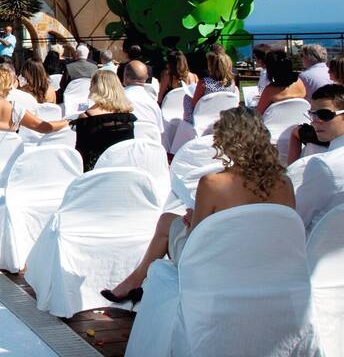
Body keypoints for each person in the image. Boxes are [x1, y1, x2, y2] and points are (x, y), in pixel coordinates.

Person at [102, 106, 296, 304]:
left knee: (166, 221)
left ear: (226, 140)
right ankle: (135, 283)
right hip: (266, 263)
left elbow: (196, 242)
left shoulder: (213, 183)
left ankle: (134, 282)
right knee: (171, 221)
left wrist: (191, 220)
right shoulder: (284, 183)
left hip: (221, 266)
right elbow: (284, 230)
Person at [287, 84, 344, 230]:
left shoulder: (322, 165)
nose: (314, 121)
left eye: (324, 114)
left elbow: (296, 218)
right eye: (312, 114)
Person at [71, 70, 136, 170]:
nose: (89, 89)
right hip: (122, 168)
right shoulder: (128, 117)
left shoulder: (87, 117)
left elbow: (80, 153)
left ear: (96, 87)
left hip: (96, 171)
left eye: (91, 85)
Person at [0, 67, 68, 135]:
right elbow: (44, 127)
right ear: (10, 85)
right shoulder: (15, 109)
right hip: (6, 155)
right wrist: (67, 122)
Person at [184, 50, 237, 122]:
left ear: (211, 66)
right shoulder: (232, 82)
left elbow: (194, 105)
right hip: (223, 119)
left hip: (203, 119)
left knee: (187, 97)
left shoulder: (204, 83)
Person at [255, 48, 306, 114]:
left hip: (274, 120)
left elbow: (258, 112)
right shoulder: (300, 83)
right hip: (298, 118)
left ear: (270, 69)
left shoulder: (270, 90)